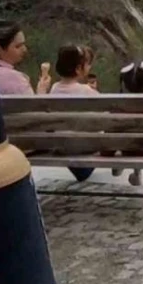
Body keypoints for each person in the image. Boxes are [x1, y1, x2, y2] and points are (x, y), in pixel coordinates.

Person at [49, 45, 97, 182]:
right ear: (77, 69)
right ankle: (84, 168)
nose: (89, 67)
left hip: (61, 145)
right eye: (87, 64)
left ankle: (81, 170)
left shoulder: (54, 88)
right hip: (83, 147)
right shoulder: (86, 91)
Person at [115, 60, 143, 187]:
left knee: (131, 134)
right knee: (142, 133)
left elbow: (113, 128)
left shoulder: (119, 104)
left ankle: (133, 172)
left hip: (128, 149)